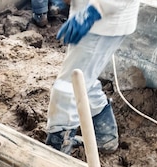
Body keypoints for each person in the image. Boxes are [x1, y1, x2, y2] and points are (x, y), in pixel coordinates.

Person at [45, 0, 140, 154]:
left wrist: (92, 11)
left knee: (67, 87)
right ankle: (104, 136)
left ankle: (57, 150)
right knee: (84, 81)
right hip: (96, 19)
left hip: (102, 21)